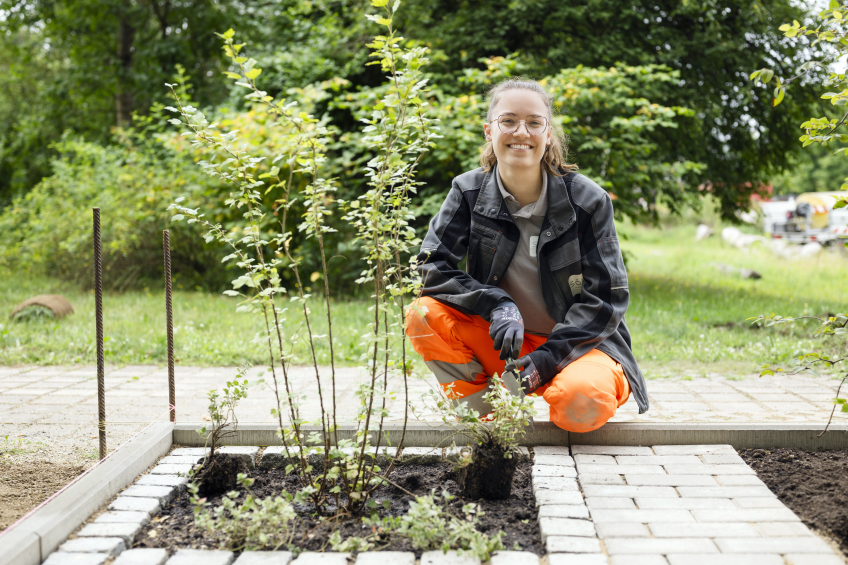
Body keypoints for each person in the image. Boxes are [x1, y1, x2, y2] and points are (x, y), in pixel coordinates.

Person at [405, 78, 648, 433]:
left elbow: (607, 300)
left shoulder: (588, 200)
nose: (522, 131)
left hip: (579, 346)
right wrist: (497, 304)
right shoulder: (467, 191)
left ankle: (560, 391)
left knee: (579, 407)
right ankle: (490, 422)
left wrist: (545, 362)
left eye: (534, 122)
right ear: (490, 131)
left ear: (548, 134)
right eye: (509, 121)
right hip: (506, 344)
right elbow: (429, 269)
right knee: (422, 315)